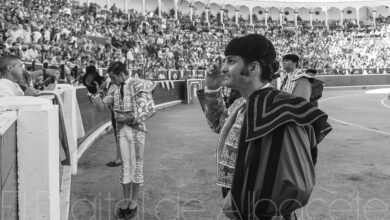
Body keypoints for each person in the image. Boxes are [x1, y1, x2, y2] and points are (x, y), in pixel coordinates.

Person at [197, 34, 332, 219]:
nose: (223, 68)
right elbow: (218, 125)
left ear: (253, 67)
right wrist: (212, 89)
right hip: (236, 200)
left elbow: (290, 182)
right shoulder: (242, 104)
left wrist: (249, 205)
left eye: (231, 61)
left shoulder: (280, 109)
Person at [90, 61, 156, 220]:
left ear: (121, 74)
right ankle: (126, 200)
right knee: (126, 166)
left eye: (113, 77)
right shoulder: (114, 88)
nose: (111, 81)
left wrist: (128, 118)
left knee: (136, 166)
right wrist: (96, 93)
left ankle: (134, 202)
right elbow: (100, 107)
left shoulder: (139, 84)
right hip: (121, 132)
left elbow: (150, 109)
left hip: (136, 130)